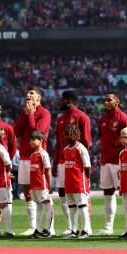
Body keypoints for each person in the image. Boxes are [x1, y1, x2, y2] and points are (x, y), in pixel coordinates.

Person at [53, 90, 91, 237]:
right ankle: (72, 228)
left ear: (69, 100)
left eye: (62, 100)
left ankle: (86, 228)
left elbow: (86, 141)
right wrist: (56, 161)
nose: (60, 102)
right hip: (64, 163)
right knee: (64, 194)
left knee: (81, 199)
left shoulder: (82, 117)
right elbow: (58, 142)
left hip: (77, 167)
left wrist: (84, 171)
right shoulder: (61, 119)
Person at [13, 87, 51, 236]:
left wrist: (31, 115)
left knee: (42, 193)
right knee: (28, 194)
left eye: (32, 93)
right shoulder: (24, 112)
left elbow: (37, 133)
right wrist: (26, 114)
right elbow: (17, 132)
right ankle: (33, 226)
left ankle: (49, 227)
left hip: (37, 157)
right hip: (24, 156)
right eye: (27, 93)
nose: (28, 95)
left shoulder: (44, 113)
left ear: (38, 98)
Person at [97, 92, 127, 235]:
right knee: (107, 194)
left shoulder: (123, 119)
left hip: (118, 162)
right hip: (105, 161)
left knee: (125, 195)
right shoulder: (102, 120)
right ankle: (108, 226)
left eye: (109, 100)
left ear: (116, 102)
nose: (106, 102)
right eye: (105, 100)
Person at [63, 123, 91, 239]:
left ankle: (86, 230)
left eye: (69, 135)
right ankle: (74, 230)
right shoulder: (65, 149)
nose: (68, 137)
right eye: (67, 135)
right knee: (71, 207)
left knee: (82, 205)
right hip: (69, 182)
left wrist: (86, 179)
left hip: (79, 182)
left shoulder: (81, 148)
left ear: (75, 135)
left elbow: (87, 166)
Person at [29, 130, 54, 239]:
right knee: (38, 207)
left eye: (34, 139)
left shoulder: (43, 154)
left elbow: (48, 170)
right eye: (31, 139)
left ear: (41, 140)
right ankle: (38, 229)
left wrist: (49, 184)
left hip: (42, 185)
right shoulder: (33, 155)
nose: (31, 142)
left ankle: (48, 230)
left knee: (47, 205)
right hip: (34, 186)